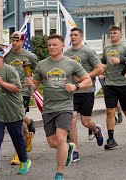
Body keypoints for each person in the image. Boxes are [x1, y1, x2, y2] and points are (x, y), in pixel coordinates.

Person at [25, 34, 92, 180]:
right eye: (49, 45)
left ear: (62, 46)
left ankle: (59, 173)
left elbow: (88, 80)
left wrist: (76, 86)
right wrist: (31, 85)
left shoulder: (71, 64)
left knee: (61, 138)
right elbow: (34, 87)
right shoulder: (42, 65)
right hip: (48, 108)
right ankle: (69, 148)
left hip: (65, 106)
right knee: (52, 143)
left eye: (54, 45)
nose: (51, 47)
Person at [0, 45, 31, 179]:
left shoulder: (9, 70)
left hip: (13, 109)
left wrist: (2, 82)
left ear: (1, 56)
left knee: (17, 137)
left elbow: (17, 88)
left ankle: (25, 161)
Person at [64, 27, 104, 162]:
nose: (73, 37)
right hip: (72, 92)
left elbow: (100, 69)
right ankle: (75, 151)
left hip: (86, 91)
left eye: (75, 35)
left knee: (86, 121)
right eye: (71, 35)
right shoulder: (67, 53)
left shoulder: (88, 51)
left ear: (81, 37)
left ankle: (96, 130)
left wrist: (84, 77)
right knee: (72, 119)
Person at [101, 25, 126, 150]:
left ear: (121, 34)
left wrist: (120, 61)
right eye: (111, 33)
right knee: (110, 110)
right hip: (109, 84)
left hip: (124, 83)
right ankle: (111, 139)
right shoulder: (106, 48)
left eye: (115, 33)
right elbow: (102, 62)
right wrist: (102, 70)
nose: (112, 35)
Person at [4, 31, 38, 165]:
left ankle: (19, 153)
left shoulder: (30, 56)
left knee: (17, 121)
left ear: (23, 41)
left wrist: (34, 81)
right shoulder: (6, 56)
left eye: (17, 40)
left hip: (23, 91)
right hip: (9, 91)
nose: (14, 42)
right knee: (20, 120)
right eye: (13, 40)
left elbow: (40, 71)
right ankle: (29, 124)